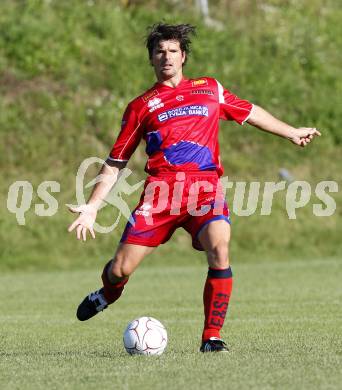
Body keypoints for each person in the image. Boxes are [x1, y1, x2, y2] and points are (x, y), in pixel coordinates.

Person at [68, 23, 320, 353]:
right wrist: (93, 206)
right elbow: (116, 160)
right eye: (159, 52)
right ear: (152, 60)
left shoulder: (209, 89)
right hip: (160, 196)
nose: (166, 57)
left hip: (205, 191)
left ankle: (211, 338)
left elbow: (250, 111)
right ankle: (108, 293)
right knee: (119, 270)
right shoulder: (141, 107)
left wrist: (289, 131)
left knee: (220, 248)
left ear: (183, 56)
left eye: (173, 51)